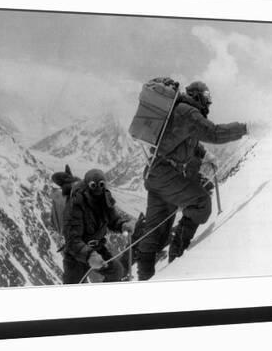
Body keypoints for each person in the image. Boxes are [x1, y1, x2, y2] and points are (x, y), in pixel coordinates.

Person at [137, 79, 248, 281]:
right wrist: (244, 128)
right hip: (166, 174)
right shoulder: (189, 112)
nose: (209, 102)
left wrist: (205, 155)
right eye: (207, 97)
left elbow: (185, 140)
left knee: (153, 234)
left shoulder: (181, 111)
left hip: (156, 173)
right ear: (197, 95)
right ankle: (178, 259)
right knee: (201, 203)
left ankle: (144, 281)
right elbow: (213, 132)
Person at [62, 169, 136, 284]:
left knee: (116, 272)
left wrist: (122, 225)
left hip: (97, 248)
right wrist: (90, 256)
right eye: (93, 185)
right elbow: (72, 240)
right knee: (73, 285)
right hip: (75, 254)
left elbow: (113, 220)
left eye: (101, 184)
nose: (98, 188)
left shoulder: (105, 199)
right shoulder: (76, 204)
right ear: (87, 185)